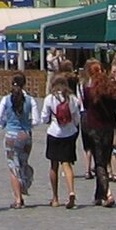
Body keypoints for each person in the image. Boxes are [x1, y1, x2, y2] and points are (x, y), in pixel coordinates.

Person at [80, 59, 116, 207]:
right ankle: (99, 195)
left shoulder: (88, 90)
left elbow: (85, 106)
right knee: (104, 160)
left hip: (94, 128)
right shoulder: (110, 89)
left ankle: (108, 194)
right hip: (108, 128)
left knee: (99, 164)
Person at [0, 72, 36, 208]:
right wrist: (28, 125)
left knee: (13, 166)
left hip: (11, 135)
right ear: (25, 84)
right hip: (25, 135)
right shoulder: (30, 100)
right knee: (23, 164)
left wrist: (5, 125)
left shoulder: (6, 99)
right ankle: (24, 187)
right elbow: (36, 120)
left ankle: (18, 199)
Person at [40, 69, 81, 209]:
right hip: (69, 133)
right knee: (67, 164)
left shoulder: (49, 99)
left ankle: (55, 198)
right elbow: (77, 119)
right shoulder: (73, 98)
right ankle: (71, 191)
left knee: (54, 165)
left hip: (54, 133)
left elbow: (44, 118)